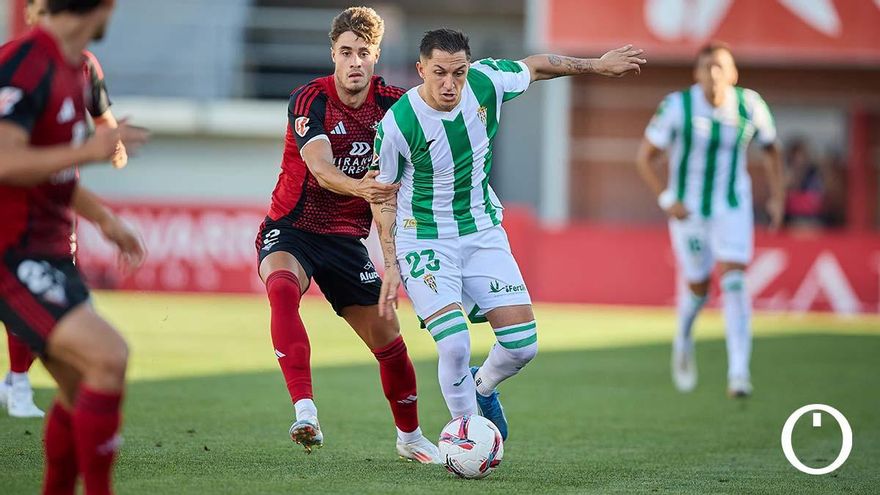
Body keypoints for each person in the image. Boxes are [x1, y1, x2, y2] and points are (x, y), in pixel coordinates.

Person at [371, 28, 645, 439]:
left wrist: (598, 65)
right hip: (424, 237)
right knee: (455, 345)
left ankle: (481, 387)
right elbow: (382, 196)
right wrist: (391, 263)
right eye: (440, 73)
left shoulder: (487, 81)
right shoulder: (398, 122)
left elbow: (537, 66)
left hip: (482, 230)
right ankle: (468, 436)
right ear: (421, 69)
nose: (450, 84)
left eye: (459, 73)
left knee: (522, 345)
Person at [255, 7, 439, 462]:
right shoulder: (310, 99)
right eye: (346, 52)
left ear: (376, 56)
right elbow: (320, 168)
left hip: (345, 240)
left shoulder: (394, 105)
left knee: (389, 339)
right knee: (282, 288)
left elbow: (434, 127)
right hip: (292, 228)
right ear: (333, 54)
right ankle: (305, 411)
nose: (354, 61)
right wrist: (363, 187)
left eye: (363, 52)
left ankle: (411, 438)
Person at [0, 0, 150, 492]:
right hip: (10, 251)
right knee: (109, 357)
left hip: (47, 250)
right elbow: (5, 161)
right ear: (102, 6)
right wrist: (88, 149)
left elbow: (54, 171)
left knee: (77, 386)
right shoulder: (24, 62)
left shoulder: (77, 67)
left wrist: (105, 219)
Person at [636, 41, 784, 397]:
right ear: (696, 73)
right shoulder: (677, 106)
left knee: (734, 281)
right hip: (688, 210)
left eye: (720, 66)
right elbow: (645, 157)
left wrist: (778, 197)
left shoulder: (750, 105)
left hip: (731, 206)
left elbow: (772, 149)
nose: (713, 73)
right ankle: (684, 336)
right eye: (707, 67)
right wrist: (667, 198)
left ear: (733, 73)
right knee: (699, 289)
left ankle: (739, 373)